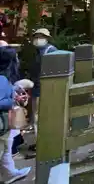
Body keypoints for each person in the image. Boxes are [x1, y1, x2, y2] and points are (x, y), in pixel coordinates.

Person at [0, 44, 31, 182]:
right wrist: (11, 99)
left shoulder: (4, 78)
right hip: (1, 124)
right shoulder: (2, 79)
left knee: (6, 148)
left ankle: (10, 174)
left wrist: (13, 92)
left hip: (4, 125)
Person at [29, 28, 57, 153]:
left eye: (41, 36)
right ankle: (39, 142)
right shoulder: (38, 52)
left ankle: (44, 144)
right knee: (36, 117)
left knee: (41, 117)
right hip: (36, 89)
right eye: (36, 36)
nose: (38, 39)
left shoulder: (51, 51)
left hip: (45, 90)